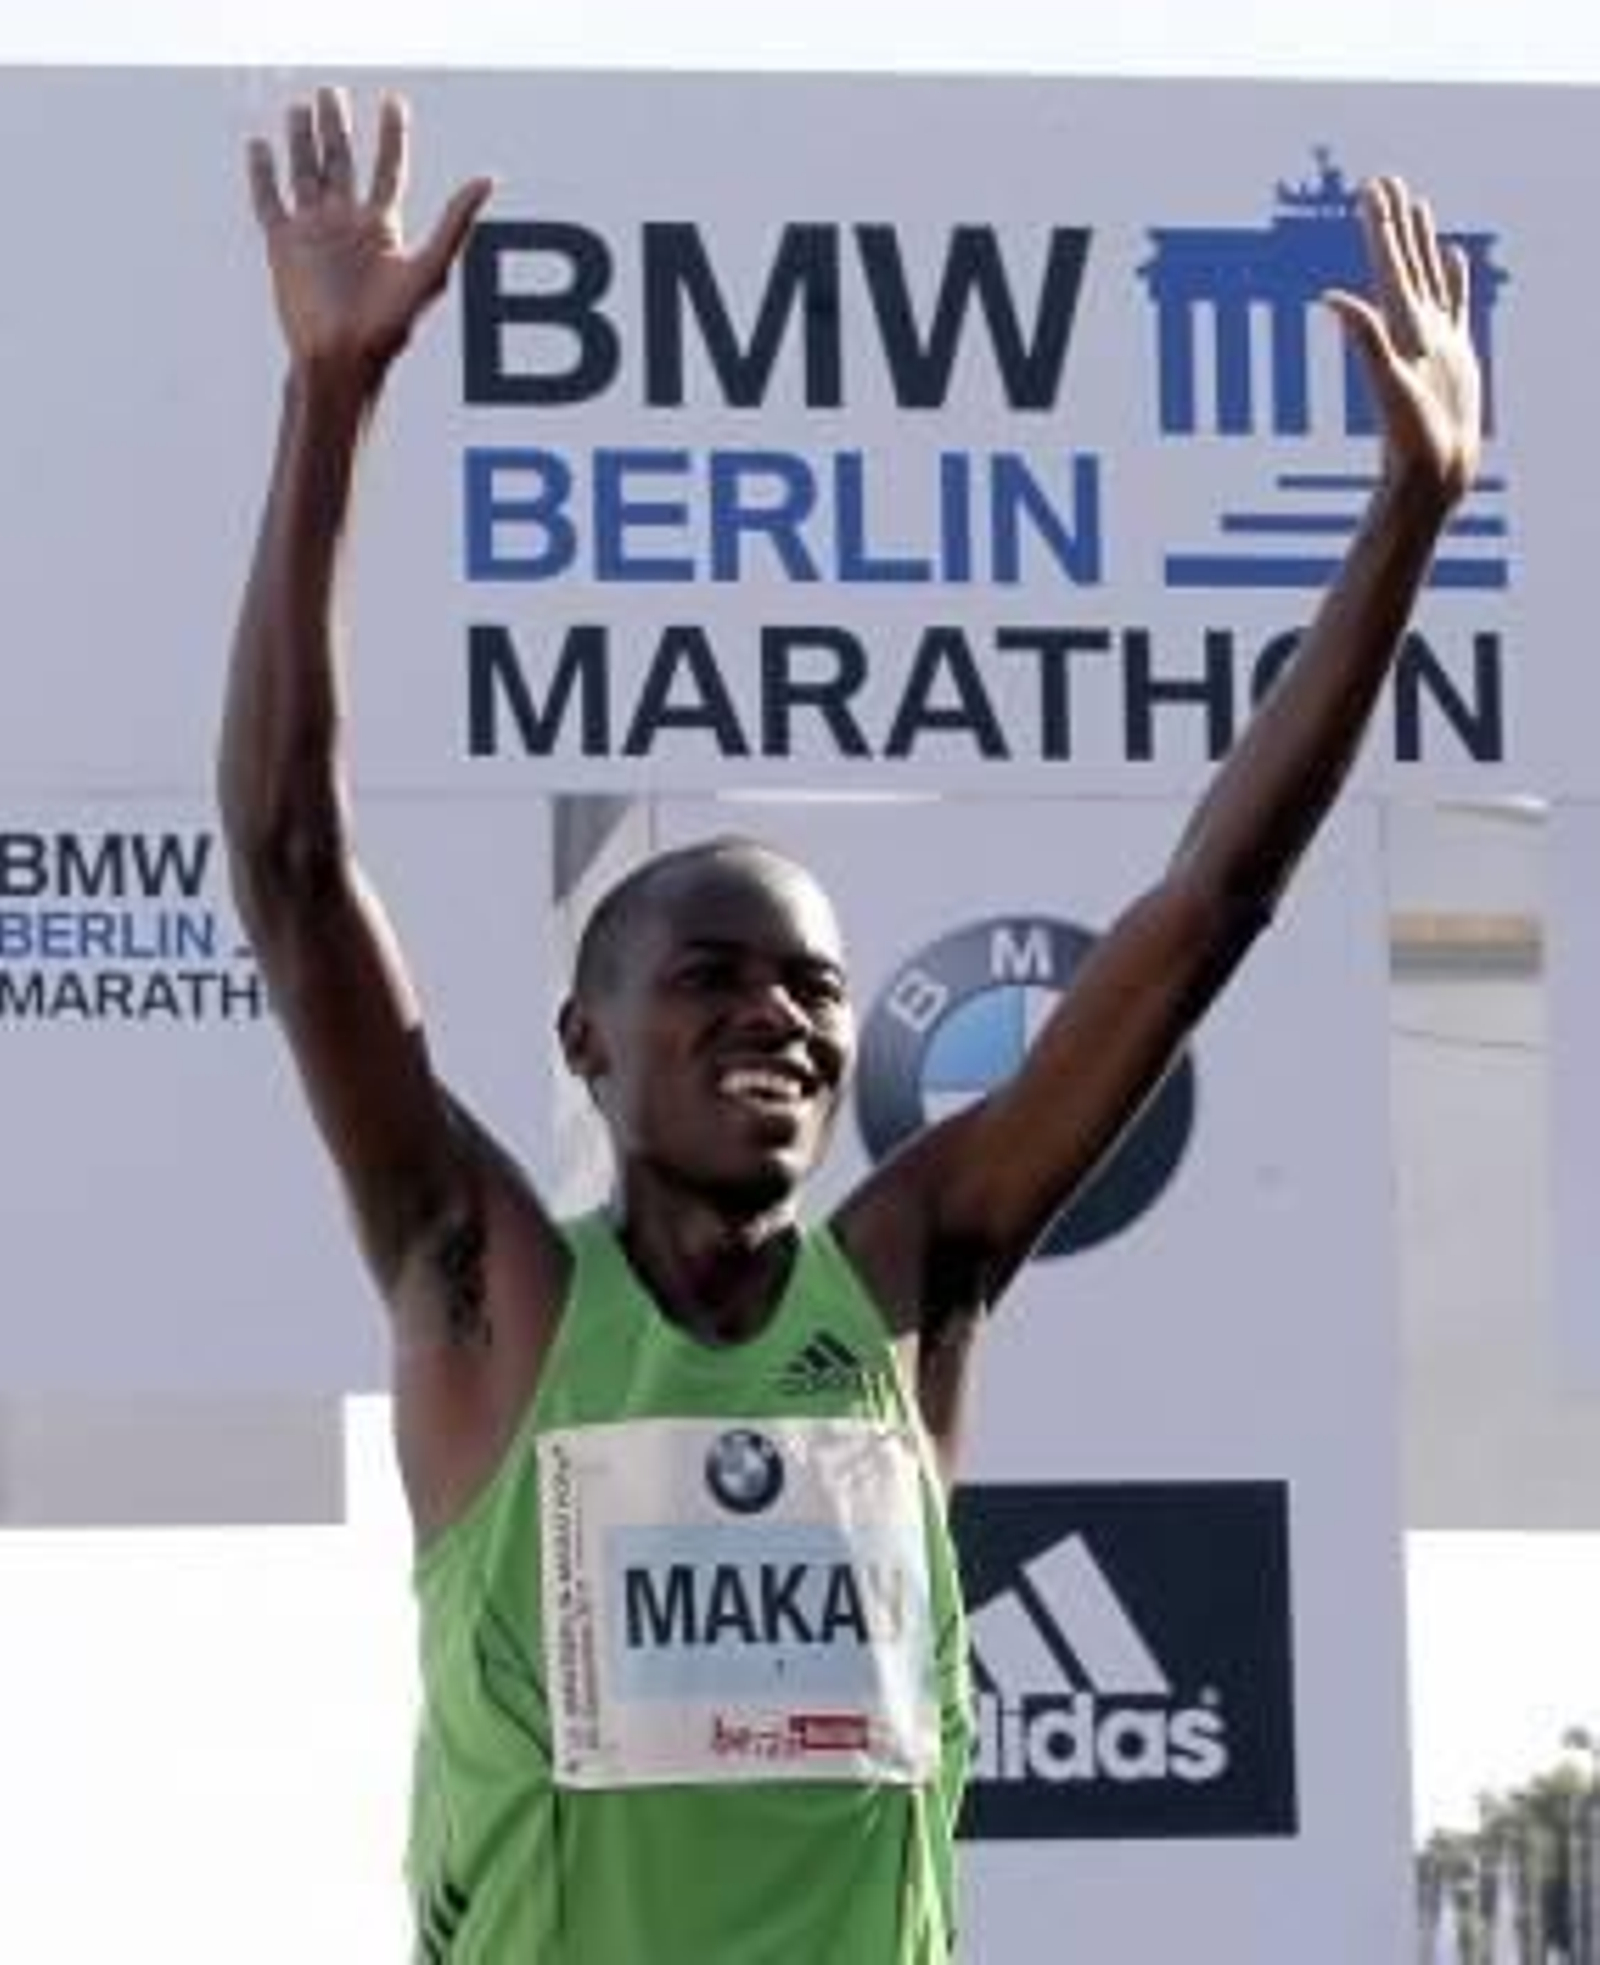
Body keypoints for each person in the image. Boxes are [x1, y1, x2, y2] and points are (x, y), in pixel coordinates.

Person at [220, 86, 1481, 1965]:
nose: (780, 1020)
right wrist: (330, 401)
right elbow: (296, 862)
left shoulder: (914, 1277)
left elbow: (1205, 907)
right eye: (711, 977)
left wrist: (1413, 514)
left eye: (812, 986)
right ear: (586, 1040)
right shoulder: (481, 1279)